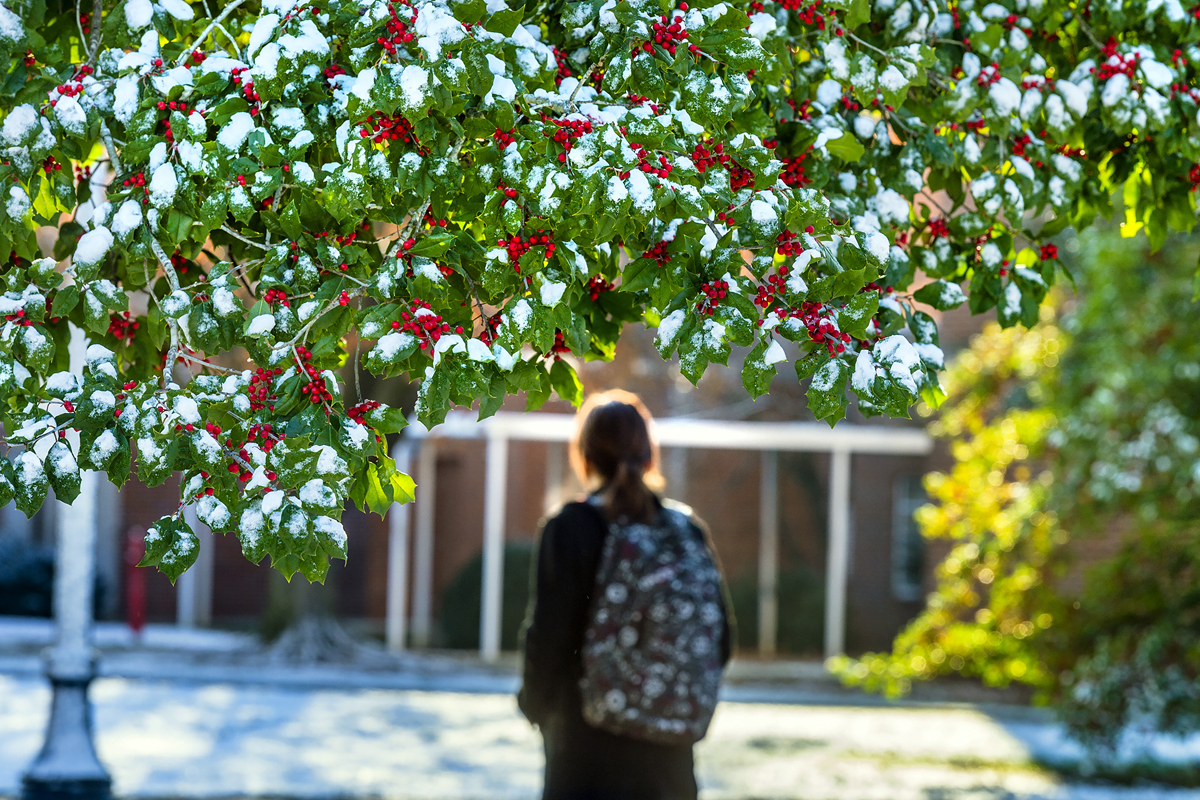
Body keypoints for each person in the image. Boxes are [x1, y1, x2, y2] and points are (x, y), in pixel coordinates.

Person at [519, 390, 732, 800]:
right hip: (668, 754)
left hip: (585, 747)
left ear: (585, 456)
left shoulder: (571, 527)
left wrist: (536, 705)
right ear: (648, 455)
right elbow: (720, 638)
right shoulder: (683, 530)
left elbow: (548, 635)